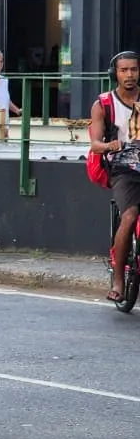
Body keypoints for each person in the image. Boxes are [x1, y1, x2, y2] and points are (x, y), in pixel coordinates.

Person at [91, 51, 140, 303]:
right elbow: (95, 144)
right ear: (115, 74)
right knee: (129, 216)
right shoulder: (103, 104)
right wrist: (109, 145)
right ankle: (119, 279)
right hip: (123, 169)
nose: (129, 75)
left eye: (134, 69)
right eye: (124, 70)